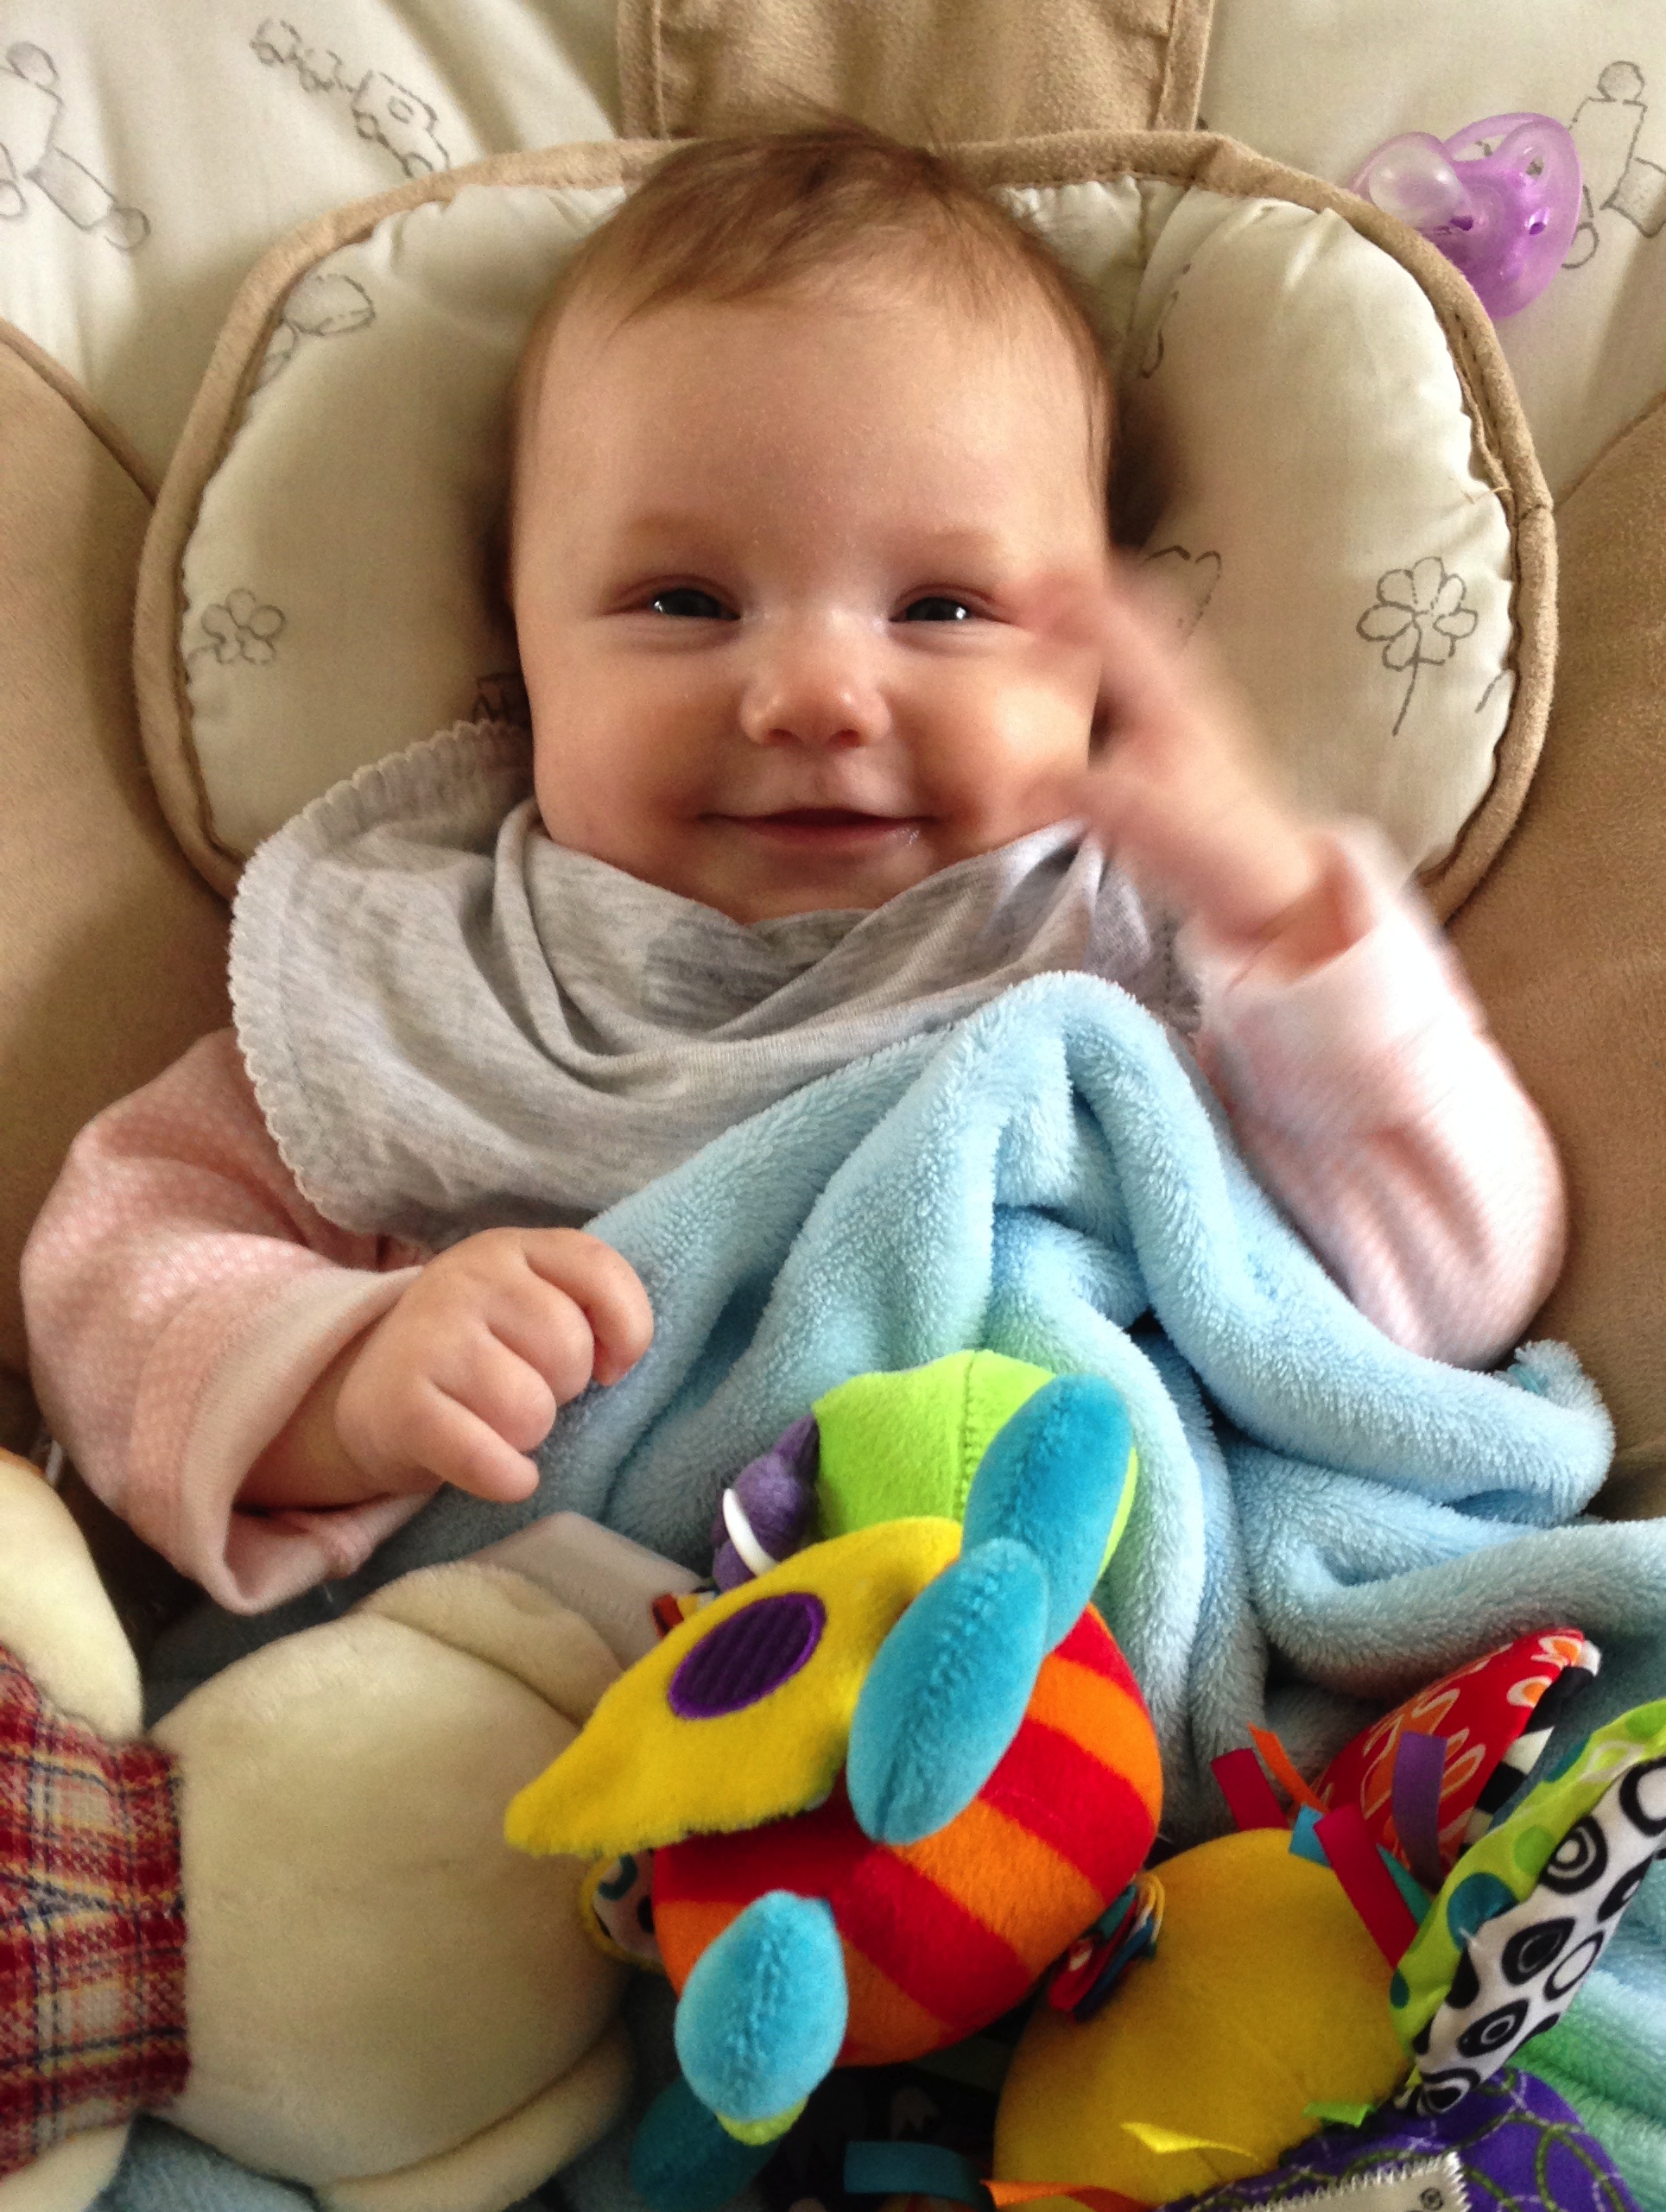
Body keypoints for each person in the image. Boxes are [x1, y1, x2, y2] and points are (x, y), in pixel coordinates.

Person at [23, 124, 1563, 1615]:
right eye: (685, 602)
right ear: (520, 649)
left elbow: (1446, 1303)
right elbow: (118, 1264)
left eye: (943, 609)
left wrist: (1293, 929)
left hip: (1053, 1664)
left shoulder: (1135, 937)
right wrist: (349, 1382)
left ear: (1095, 659)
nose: (817, 697)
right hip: (535, 1689)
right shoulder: (430, 967)